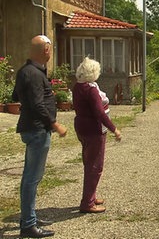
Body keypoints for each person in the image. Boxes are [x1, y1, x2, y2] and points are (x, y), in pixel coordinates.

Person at [12, 35, 67, 238]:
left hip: (32, 129)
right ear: (46, 50)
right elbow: (36, 104)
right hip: (37, 131)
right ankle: (28, 224)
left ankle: (30, 216)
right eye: (50, 50)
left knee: (32, 177)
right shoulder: (34, 74)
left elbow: (15, 96)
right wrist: (54, 124)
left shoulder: (26, 71)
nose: (51, 53)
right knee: (31, 178)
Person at [72, 57, 121, 213]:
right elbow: (100, 113)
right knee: (95, 166)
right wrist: (114, 129)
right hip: (94, 130)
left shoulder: (78, 87)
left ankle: (90, 196)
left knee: (89, 163)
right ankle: (87, 203)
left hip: (81, 127)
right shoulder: (91, 90)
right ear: (93, 72)